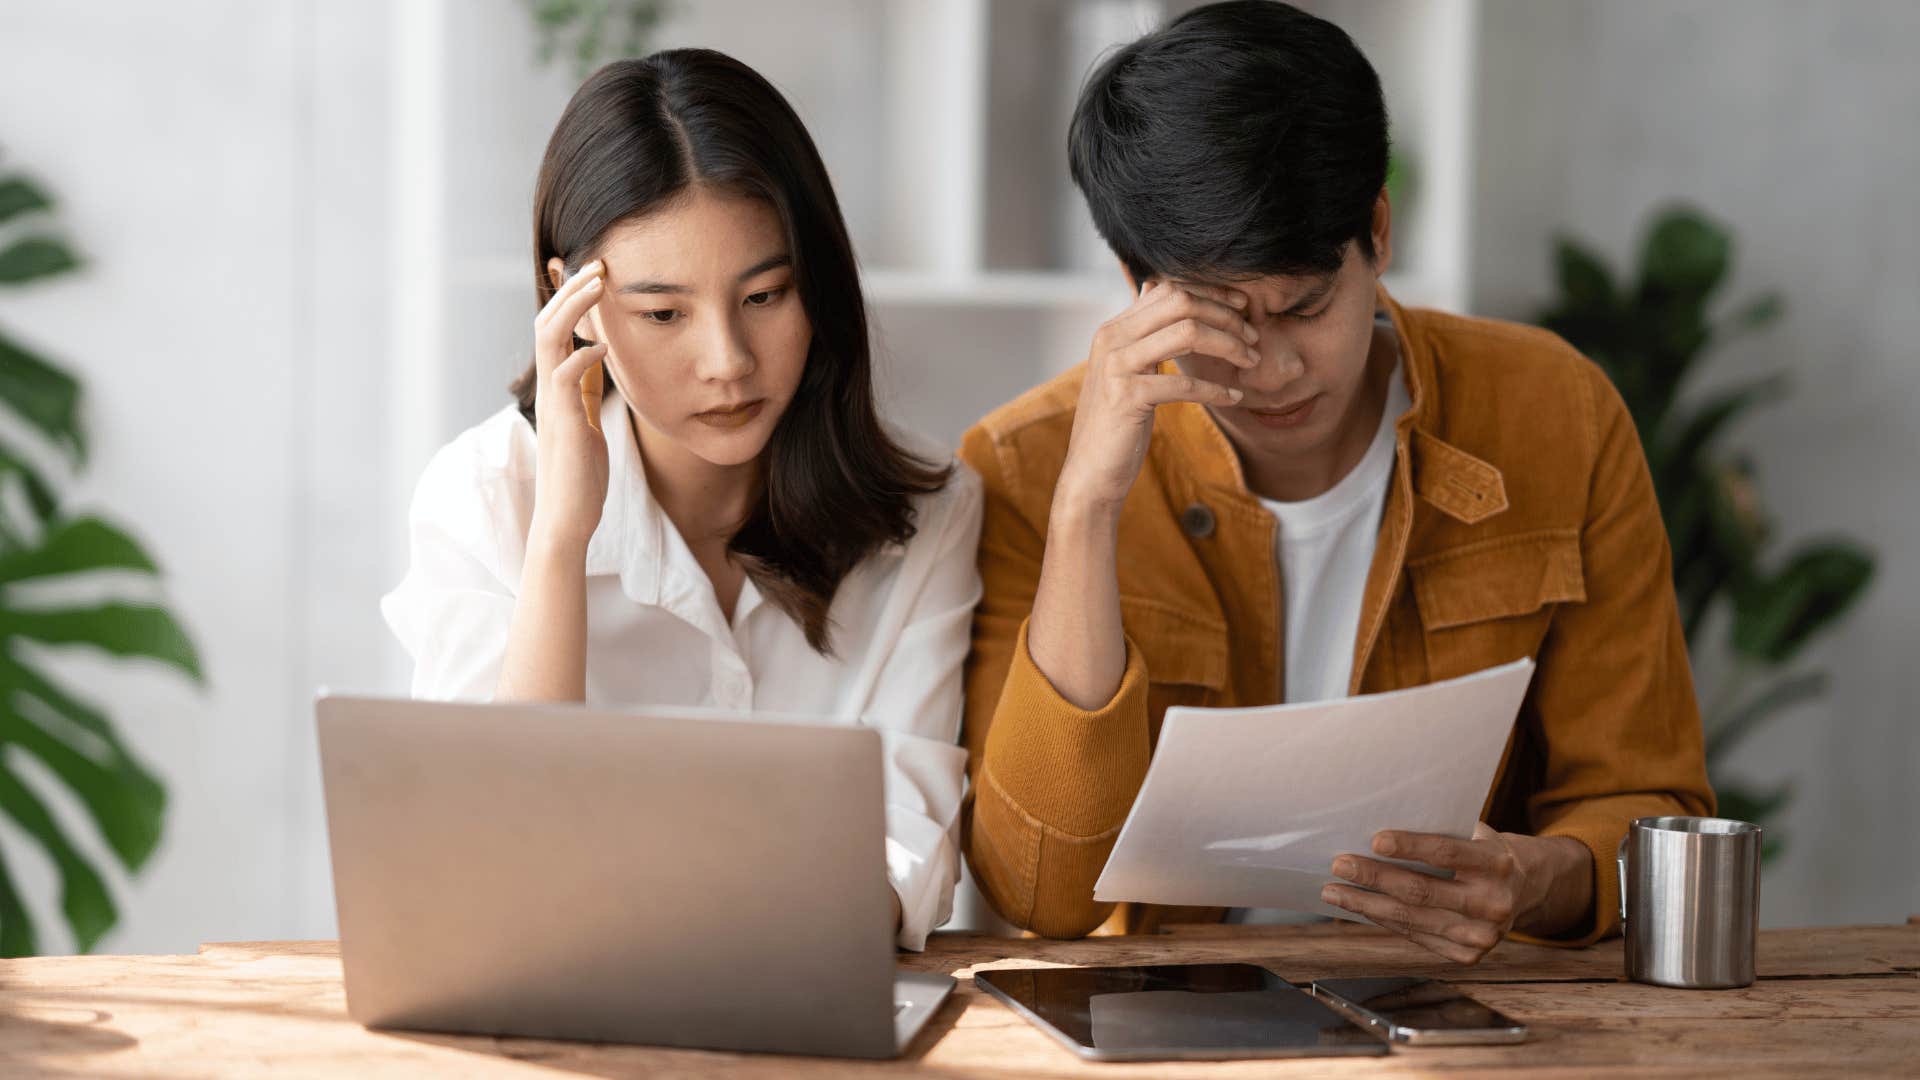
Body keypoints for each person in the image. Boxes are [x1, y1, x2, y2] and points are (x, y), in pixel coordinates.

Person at [958, 0, 1713, 962]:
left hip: (1465, 1003)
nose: (1272, 370)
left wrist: (1536, 878)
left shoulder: (1557, 416)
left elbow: (1651, 807)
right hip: (1166, 1017)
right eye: (1223, 323)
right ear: (1134, 283)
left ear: (1379, 233)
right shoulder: (1025, 466)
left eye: (1305, 308)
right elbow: (1039, 892)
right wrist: (1089, 507)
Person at [381, 49, 982, 951]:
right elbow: (492, 870)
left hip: (810, 996)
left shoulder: (926, 508)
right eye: (664, 314)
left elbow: (906, 849)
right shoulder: (484, 496)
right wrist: (560, 542)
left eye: (766, 295)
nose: (729, 360)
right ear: (571, 303)